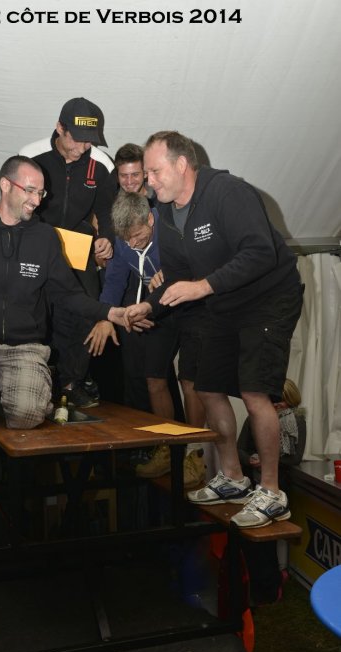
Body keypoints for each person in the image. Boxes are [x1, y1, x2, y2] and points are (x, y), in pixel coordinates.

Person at [0, 155, 130, 532]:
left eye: (41, 193)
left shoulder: (45, 237)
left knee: (28, 415)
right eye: (30, 191)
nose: (36, 200)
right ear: (5, 185)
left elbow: (68, 294)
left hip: (26, 343)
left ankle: (3, 444)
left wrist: (109, 312)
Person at [124, 130, 304, 528]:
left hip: (269, 298)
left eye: (154, 171)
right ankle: (233, 478)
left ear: (181, 165)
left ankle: (272, 492)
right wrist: (148, 305)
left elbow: (260, 252)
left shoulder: (227, 192)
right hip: (225, 301)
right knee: (207, 385)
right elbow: (178, 277)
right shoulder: (166, 213)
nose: (148, 182)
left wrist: (203, 286)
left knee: (255, 390)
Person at [85, 191, 206, 481]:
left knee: (189, 380)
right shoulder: (124, 242)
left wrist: (172, 271)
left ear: (150, 219)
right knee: (153, 378)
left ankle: (194, 453)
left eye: (138, 236)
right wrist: (105, 316)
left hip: (191, 307)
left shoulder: (172, 225)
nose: (133, 243)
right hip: (158, 309)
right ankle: (166, 447)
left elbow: (201, 259)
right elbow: (114, 281)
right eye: (127, 239)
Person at [19, 97, 114, 408]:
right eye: (78, 139)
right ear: (60, 128)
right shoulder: (31, 156)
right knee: (37, 313)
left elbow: (106, 211)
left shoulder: (101, 164)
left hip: (78, 244)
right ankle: (36, 382)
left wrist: (106, 238)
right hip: (37, 242)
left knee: (86, 310)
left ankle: (73, 383)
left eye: (90, 140)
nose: (84, 147)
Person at [238, 378, 306, 602]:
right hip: (252, 486)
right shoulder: (254, 418)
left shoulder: (296, 420)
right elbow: (240, 449)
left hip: (280, 487)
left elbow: (295, 458)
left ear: (291, 400)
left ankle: (271, 584)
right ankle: (261, 584)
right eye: (273, 400)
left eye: (281, 401)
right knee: (253, 539)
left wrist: (268, 461)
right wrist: (251, 459)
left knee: (269, 539)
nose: (277, 405)